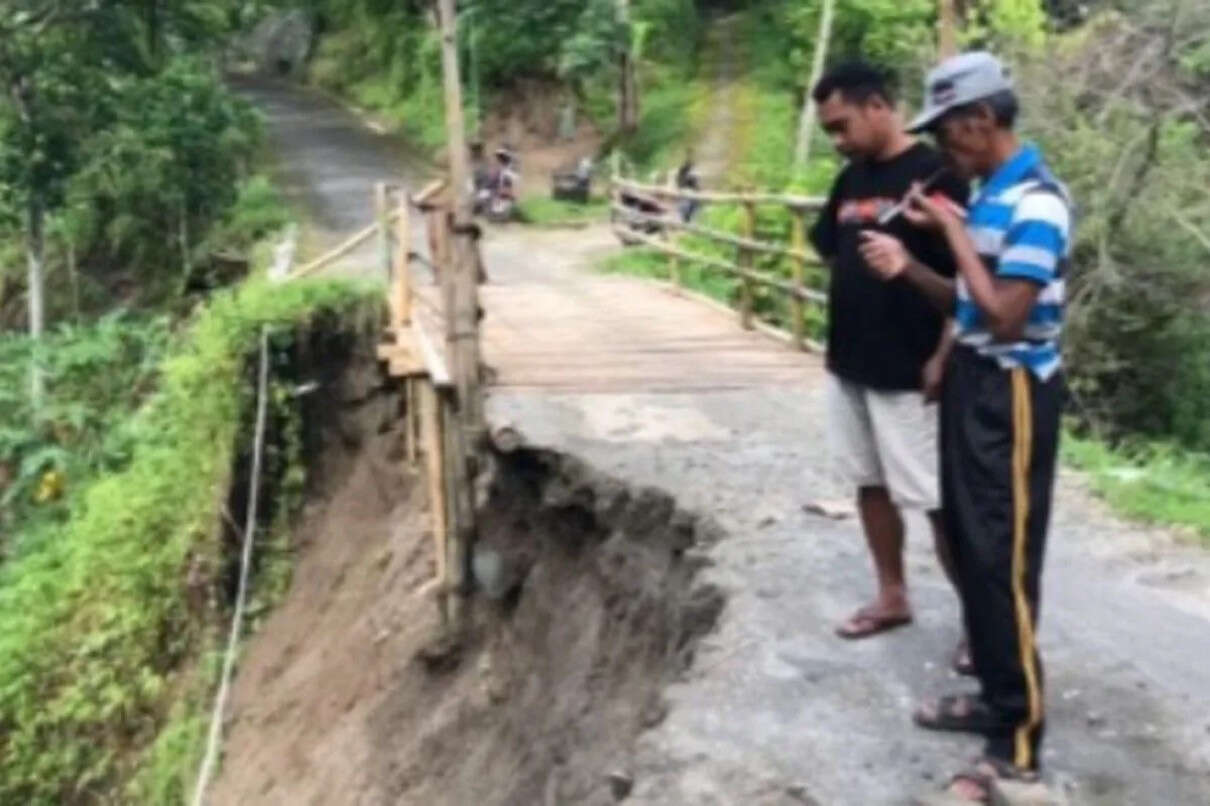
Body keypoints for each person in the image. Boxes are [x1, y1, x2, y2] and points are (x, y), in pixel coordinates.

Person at [858, 52, 1071, 800]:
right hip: (976, 378)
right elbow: (971, 305)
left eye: (949, 133)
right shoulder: (988, 197)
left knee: (1003, 558)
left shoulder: (1036, 203)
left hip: (1012, 388)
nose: (944, 149)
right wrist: (912, 263)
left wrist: (947, 233)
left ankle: (1016, 744)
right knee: (975, 549)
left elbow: (1009, 316)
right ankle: (993, 696)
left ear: (981, 121)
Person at [808, 62, 970, 661]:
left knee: (934, 498)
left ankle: (980, 622)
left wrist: (943, 350)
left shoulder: (937, 175)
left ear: (878, 105)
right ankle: (892, 593)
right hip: (849, 361)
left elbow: (970, 275)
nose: (839, 139)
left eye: (843, 124)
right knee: (868, 481)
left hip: (911, 370)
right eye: (830, 130)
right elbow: (832, 249)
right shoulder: (851, 177)